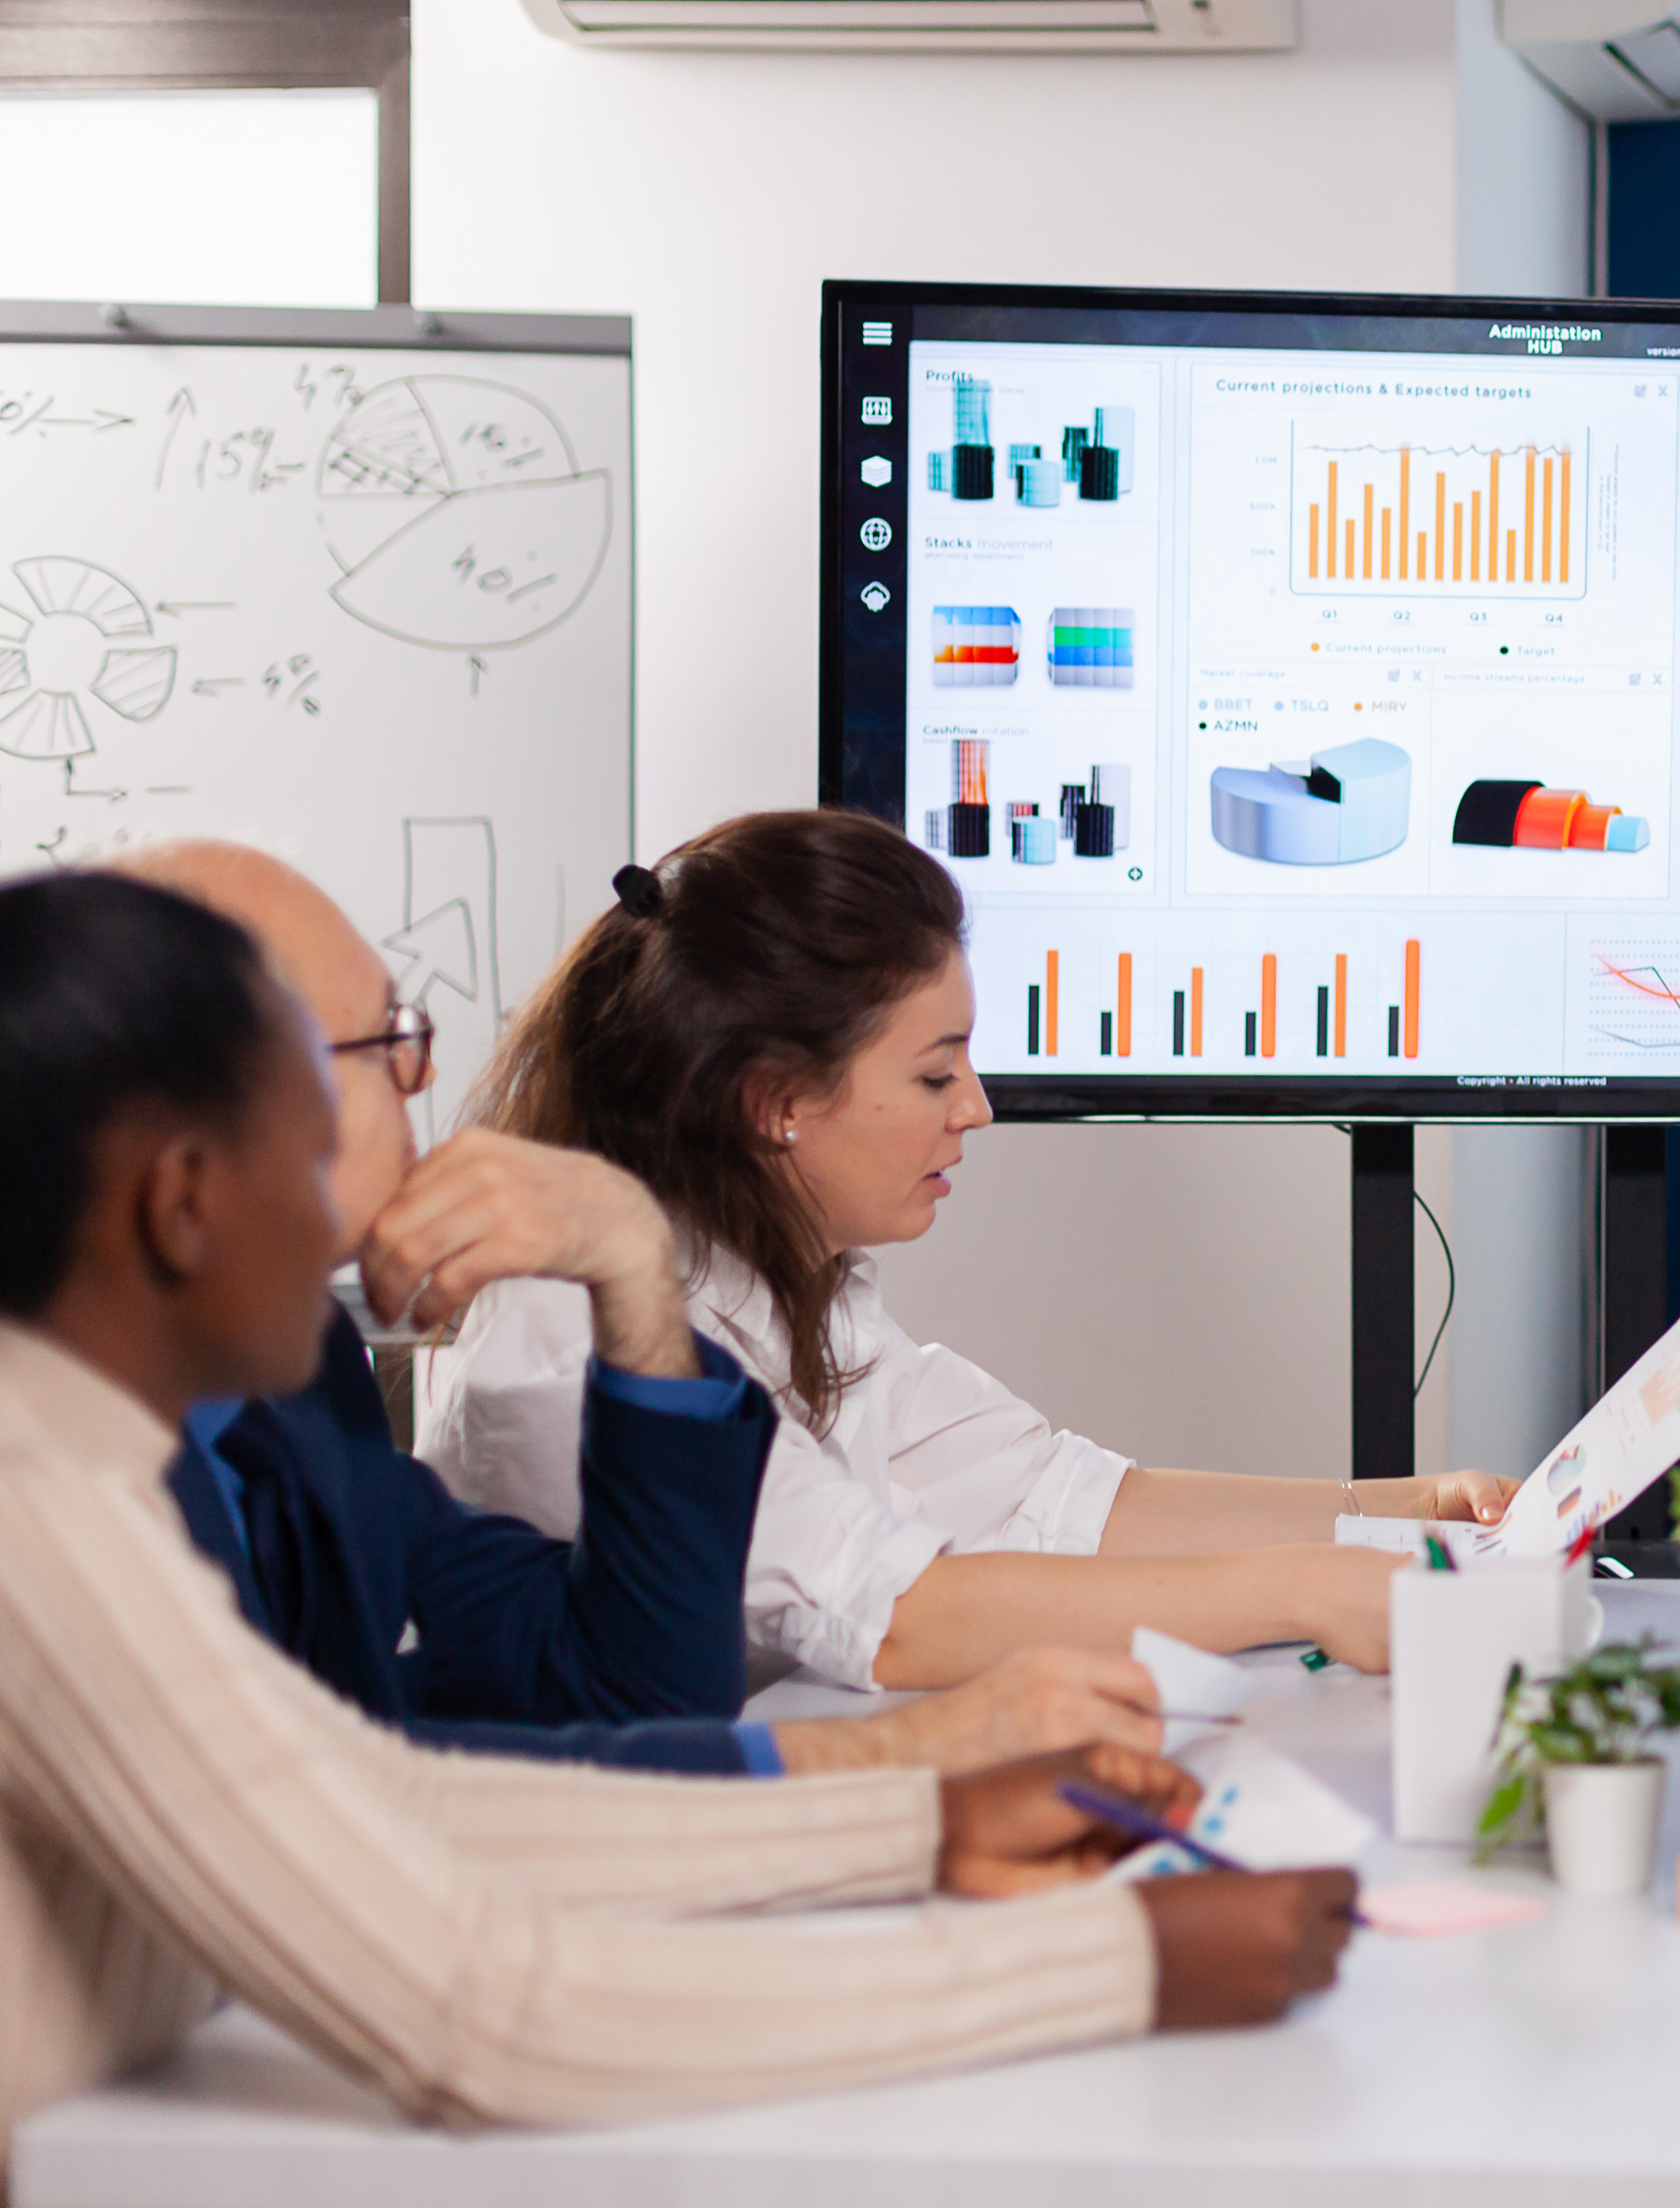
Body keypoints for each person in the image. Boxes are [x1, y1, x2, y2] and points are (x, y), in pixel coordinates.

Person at [0, 869, 1356, 2172]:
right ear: (182, 1200)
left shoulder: (164, 1434)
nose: (398, 1174)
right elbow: (479, 2009)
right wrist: (1117, 1964)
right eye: (327, 1121)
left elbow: (378, 1801)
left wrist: (921, 1824)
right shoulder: (35, 1499)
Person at [122, 839, 1169, 1776]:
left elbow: (647, 1685)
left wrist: (631, 1269)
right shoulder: (68, 1465)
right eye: (379, 1048)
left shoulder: (304, 1385)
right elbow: (330, 1795)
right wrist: (902, 1775)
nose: (418, 1082)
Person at [420, 810, 1513, 1690]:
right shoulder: (575, 1329)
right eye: (937, 1074)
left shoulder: (785, 1276)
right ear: (778, 1101)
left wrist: (1410, 1508)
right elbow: (900, 1620)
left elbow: (1062, 1498)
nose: (977, 1109)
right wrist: (1314, 1589)